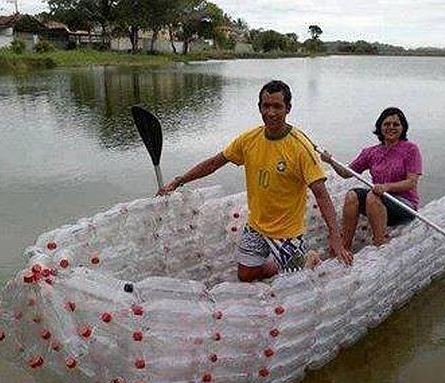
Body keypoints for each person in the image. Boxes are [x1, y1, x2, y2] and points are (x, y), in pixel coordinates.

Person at [157, 80, 353, 282]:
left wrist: (335, 237)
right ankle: (283, 263)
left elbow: (321, 194)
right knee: (246, 275)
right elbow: (215, 163)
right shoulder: (249, 139)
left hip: (287, 232)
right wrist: (179, 181)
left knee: (294, 284)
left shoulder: (300, 147)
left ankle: (307, 260)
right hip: (257, 225)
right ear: (259, 107)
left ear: (288, 109)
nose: (271, 113)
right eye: (266, 106)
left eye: (277, 106)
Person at [322, 107, 422, 248]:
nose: (391, 127)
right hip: (377, 201)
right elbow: (346, 173)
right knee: (352, 195)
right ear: (380, 127)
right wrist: (331, 161)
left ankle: (379, 243)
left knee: (372, 195)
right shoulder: (371, 152)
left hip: (404, 206)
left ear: (403, 128)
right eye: (387, 124)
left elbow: (411, 182)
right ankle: (345, 247)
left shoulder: (410, 149)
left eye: (396, 124)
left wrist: (387, 187)